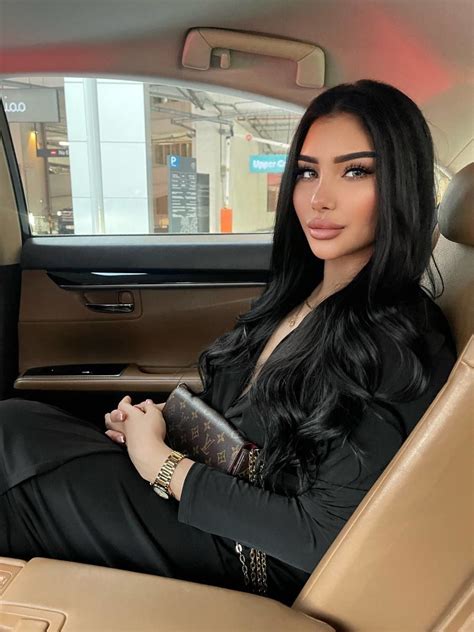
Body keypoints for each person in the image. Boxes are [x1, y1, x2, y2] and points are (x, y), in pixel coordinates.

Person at [0, 80, 456, 606]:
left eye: (355, 171)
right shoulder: (304, 295)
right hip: (209, 502)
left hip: (246, 554)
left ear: (402, 183)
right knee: (17, 421)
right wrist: (158, 425)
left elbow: (320, 536)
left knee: (15, 473)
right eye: (307, 172)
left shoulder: (400, 341)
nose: (319, 198)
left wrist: (159, 461)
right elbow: (248, 424)